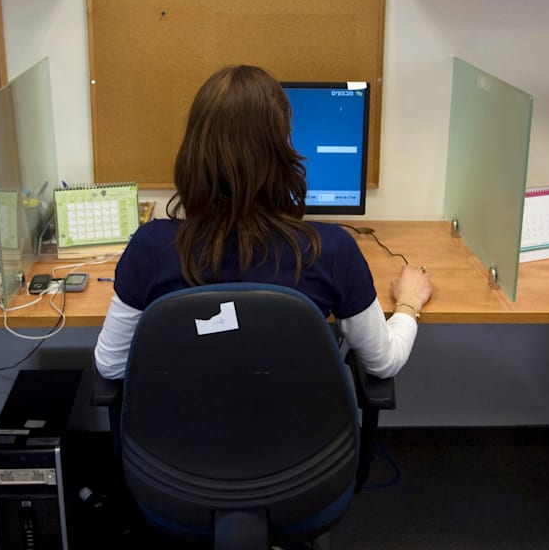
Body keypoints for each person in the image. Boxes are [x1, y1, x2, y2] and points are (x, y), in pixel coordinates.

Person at [93, 65, 433, 380]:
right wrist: (407, 303)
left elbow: (110, 366)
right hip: (304, 443)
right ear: (282, 156)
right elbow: (383, 363)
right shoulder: (331, 251)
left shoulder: (150, 248)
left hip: (177, 442)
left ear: (194, 153)